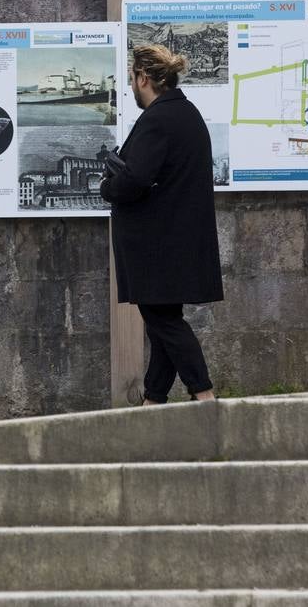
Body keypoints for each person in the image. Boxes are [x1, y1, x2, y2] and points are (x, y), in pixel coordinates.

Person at [100, 44, 222, 406]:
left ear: (144, 78)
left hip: (157, 245)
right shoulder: (186, 114)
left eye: (133, 80)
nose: (132, 88)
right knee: (163, 320)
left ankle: (205, 395)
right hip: (178, 240)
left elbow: (135, 179)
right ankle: (153, 402)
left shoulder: (157, 119)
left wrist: (108, 186)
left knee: (163, 321)